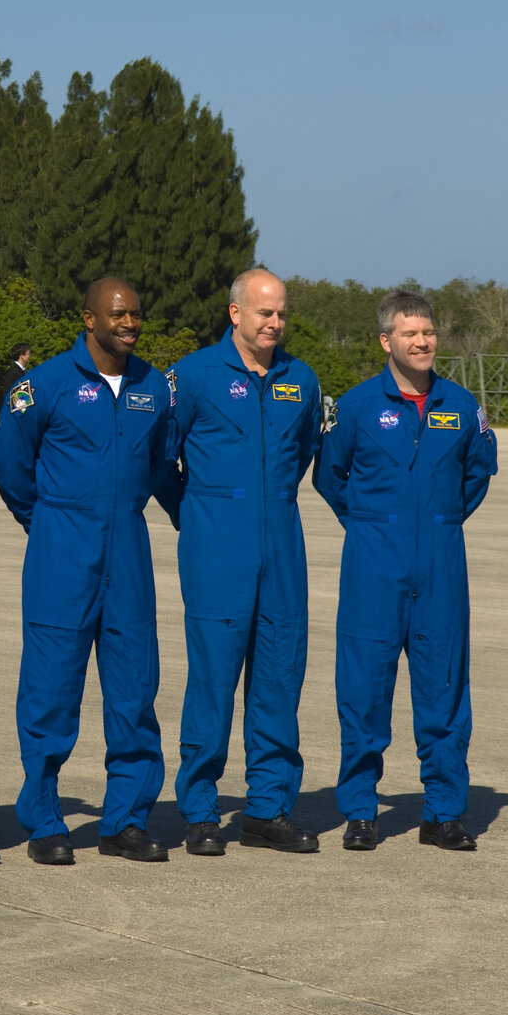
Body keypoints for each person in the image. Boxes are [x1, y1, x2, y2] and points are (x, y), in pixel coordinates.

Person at [0, 277, 182, 864]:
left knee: (134, 686)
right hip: (61, 548)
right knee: (51, 688)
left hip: (127, 547)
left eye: (136, 315)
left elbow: (158, 464)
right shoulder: (41, 385)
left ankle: (124, 819)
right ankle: (45, 819)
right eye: (118, 314)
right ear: (89, 319)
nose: (129, 324)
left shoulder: (155, 385)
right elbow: (11, 468)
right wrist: (49, 524)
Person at [316, 289, 498, 852]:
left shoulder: (463, 408)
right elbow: (330, 476)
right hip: (373, 563)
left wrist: (437, 523)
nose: (421, 342)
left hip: (441, 562)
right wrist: (374, 525)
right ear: (386, 341)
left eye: (429, 332)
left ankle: (442, 813)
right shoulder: (353, 407)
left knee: (444, 689)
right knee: (364, 690)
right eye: (409, 333)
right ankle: (362, 811)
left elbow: (477, 476)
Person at [166, 269, 324, 857]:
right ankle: (202, 812)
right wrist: (196, 513)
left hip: (281, 540)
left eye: (281, 313)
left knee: (280, 676)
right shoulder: (193, 376)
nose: (274, 324)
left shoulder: (300, 380)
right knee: (213, 678)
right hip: (215, 544)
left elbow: (309, 450)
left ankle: (268, 808)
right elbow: (162, 456)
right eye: (263, 313)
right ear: (235, 314)